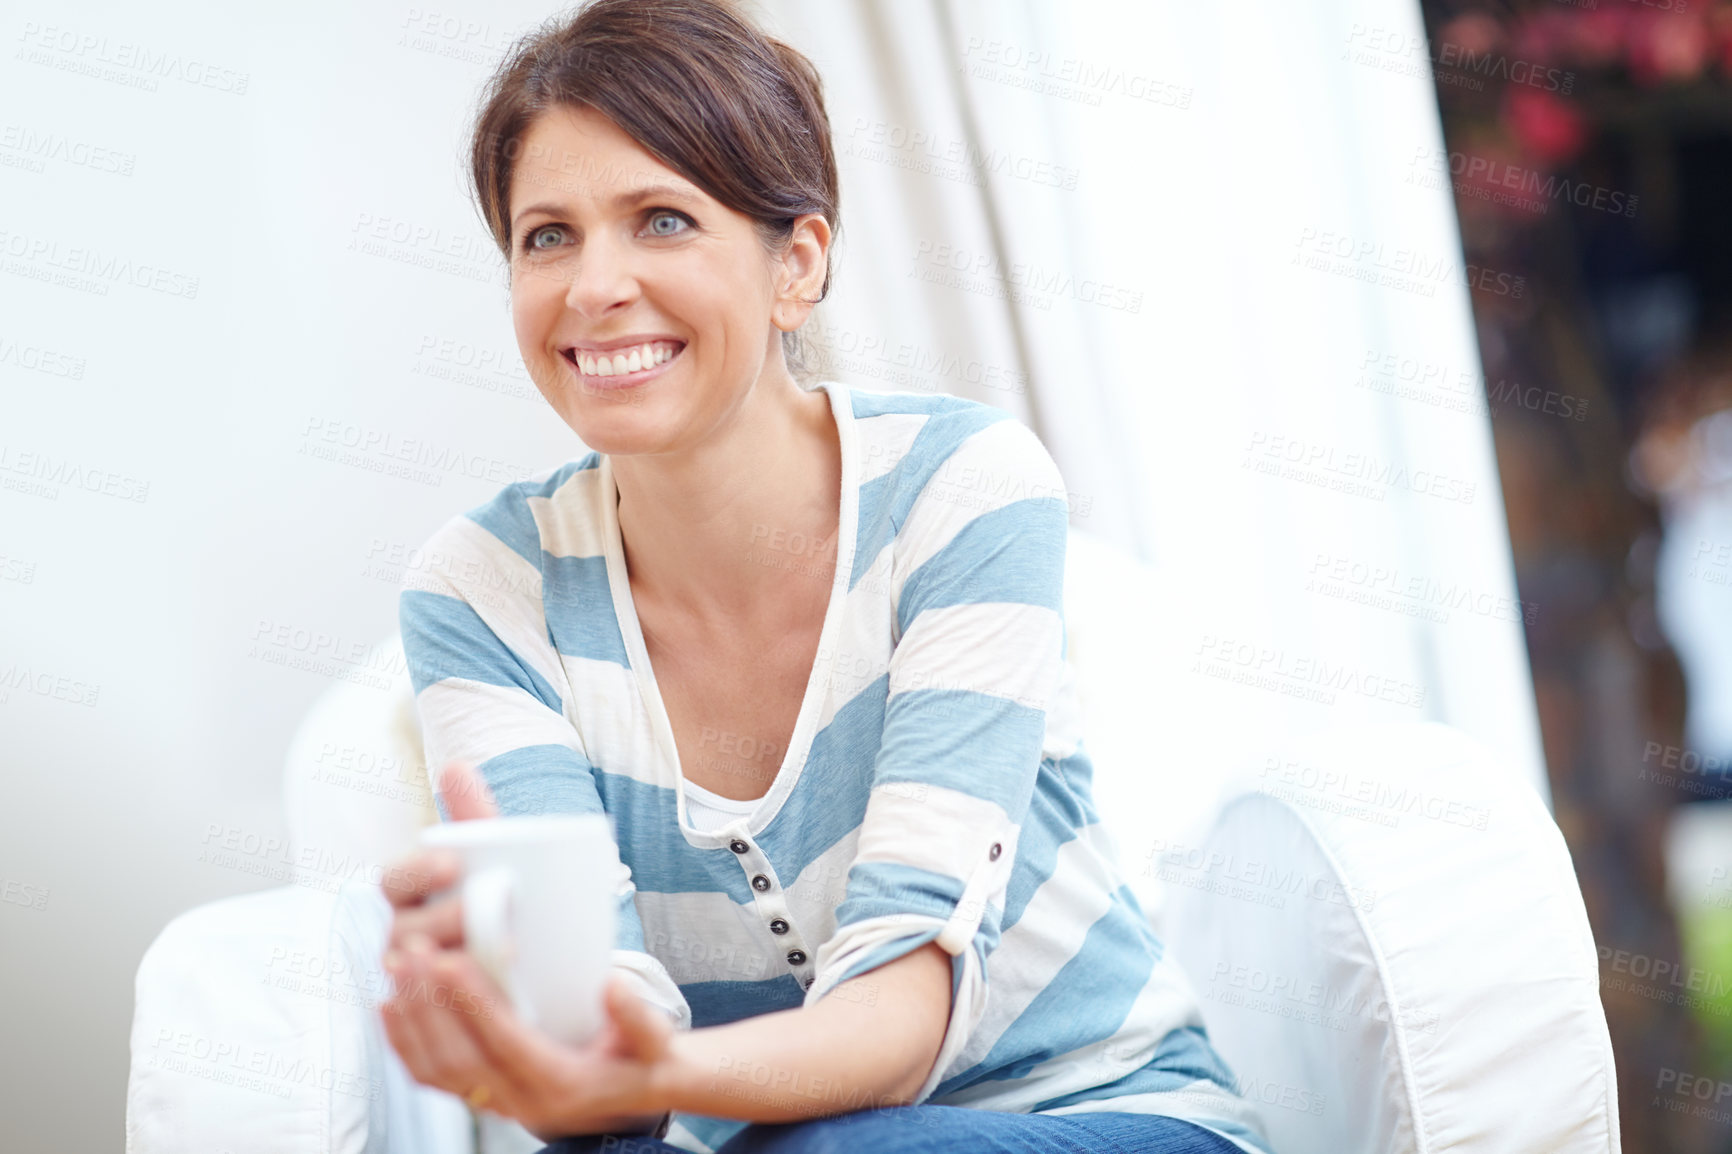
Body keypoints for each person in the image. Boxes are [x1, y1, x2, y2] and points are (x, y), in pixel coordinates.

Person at [377, 2, 1273, 1151]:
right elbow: (602, 1047)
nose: (593, 283)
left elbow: (901, 1011)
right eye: (546, 235)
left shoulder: (960, 490)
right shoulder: (482, 589)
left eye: (660, 219)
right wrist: (549, 1037)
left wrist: (648, 1073)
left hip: (1099, 1112)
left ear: (795, 266)